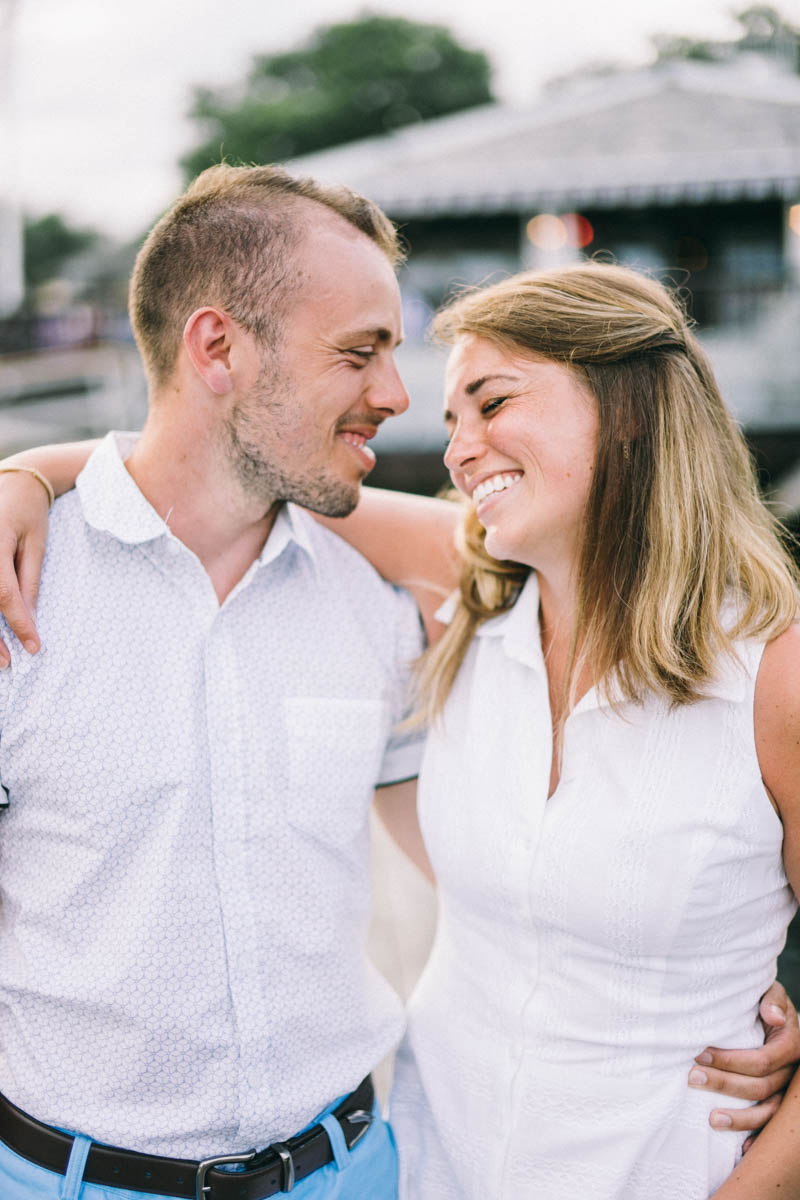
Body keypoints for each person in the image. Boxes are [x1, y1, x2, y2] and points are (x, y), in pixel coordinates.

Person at [0, 251, 798, 1197]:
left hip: (664, 1171)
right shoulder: (469, 603)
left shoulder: (773, 675)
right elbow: (226, 474)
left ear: (629, 403)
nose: (459, 450)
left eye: (493, 403)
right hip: (428, 1166)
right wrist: (32, 471)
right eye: (455, 420)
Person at [0, 162, 441, 1200]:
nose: (394, 394)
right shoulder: (22, 592)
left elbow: (480, 865)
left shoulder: (377, 602)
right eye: (358, 352)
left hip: (350, 1173)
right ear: (217, 348)